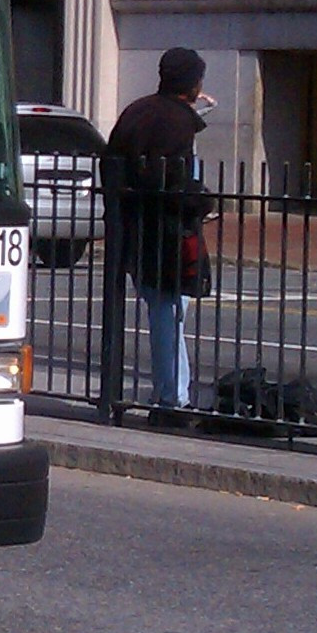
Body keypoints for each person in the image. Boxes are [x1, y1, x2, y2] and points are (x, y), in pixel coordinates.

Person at [104, 46, 210, 418]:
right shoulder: (176, 123)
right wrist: (200, 202)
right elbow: (172, 184)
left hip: (135, 228)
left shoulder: (139, 111)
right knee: (170, 315)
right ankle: (172, 399)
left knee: (162, 312)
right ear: (192, 82)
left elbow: (115, 165)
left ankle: (164, 393)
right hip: (169, 233)